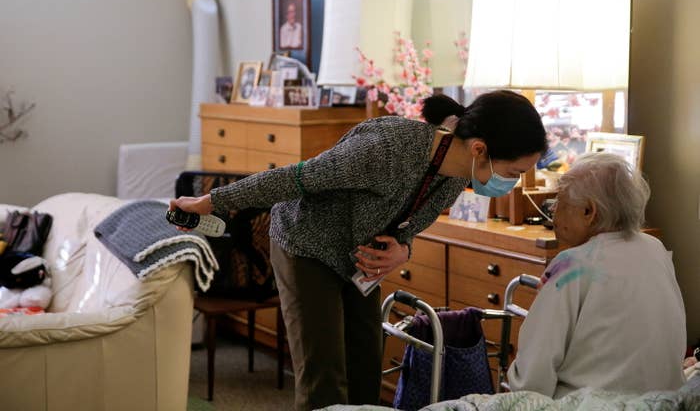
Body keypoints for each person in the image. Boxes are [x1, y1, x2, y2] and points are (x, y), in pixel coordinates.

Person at [170, 90, 548, 410]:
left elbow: (413, 220)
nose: (512, 183)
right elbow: (294, 179)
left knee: (366, 363)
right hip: (306, 246)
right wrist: (211, 202)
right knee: (325, 375)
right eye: (513, 172)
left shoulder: (458, 171)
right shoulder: (385, 150)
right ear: (480, 149)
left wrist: (403, 250)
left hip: (357, 256)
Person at [507, 153, 686, 398]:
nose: (553, 211)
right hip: (661, 403)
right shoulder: (655, 249)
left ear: (589, 211)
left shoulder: (573, 265)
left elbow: (532, 376)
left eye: (559, 200)